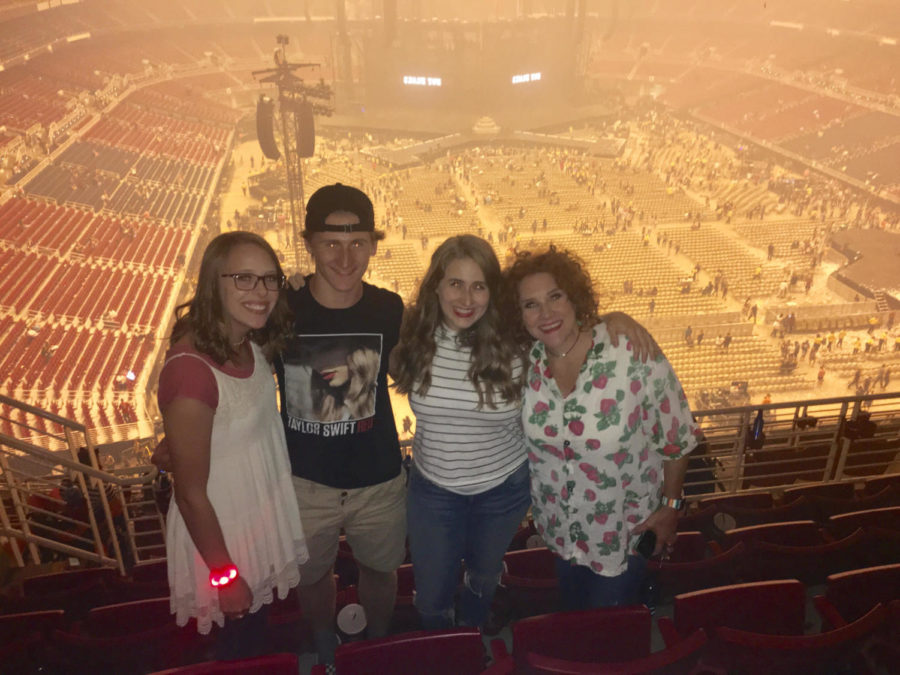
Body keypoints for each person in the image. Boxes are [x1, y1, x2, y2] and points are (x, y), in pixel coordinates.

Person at [391, 235, 658, 629]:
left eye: (479, 285)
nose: (467, 298)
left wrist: (612, 318)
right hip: (433, 491)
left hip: (502, 491)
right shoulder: (411, 336)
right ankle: (444, 654)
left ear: (492, 292)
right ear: (435, 286)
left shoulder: (516, 342)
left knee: (484, 578)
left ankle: (474, 634)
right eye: (455, 283)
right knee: (430, 597)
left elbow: (562, 328)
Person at [503, 246, 698, 610]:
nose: (546, 313)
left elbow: (677, 438)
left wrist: (671, 507)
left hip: (623, 538)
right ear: (520, 316)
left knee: (606, 636)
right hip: (561, 535)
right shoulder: (526, 363)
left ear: (574, 297)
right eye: (531, 305)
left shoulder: (629, 350)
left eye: (555, 297)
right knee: (577, 622)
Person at [158, 231, 308, 657]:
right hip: (223, 544)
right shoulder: (191, 369)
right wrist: (225, 577)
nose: (261, 292)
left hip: (254, 522)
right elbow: (188, 494)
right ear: (213, 283)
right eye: (243, 279)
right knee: (236, 653)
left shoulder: (250, 340)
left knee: (257, 642)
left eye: (269, 279)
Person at [275, 183, 406, 665]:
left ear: (373, 244)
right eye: (331, 242)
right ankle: (325, 643)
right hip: (305, 483)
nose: (346, 256)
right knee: (312, 578)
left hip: (379, 481)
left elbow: (423, 364)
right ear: (308, 243)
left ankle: (376, 645)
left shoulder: (389, 308)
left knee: (382, 571)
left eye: (358, 242)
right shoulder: (279, 309)